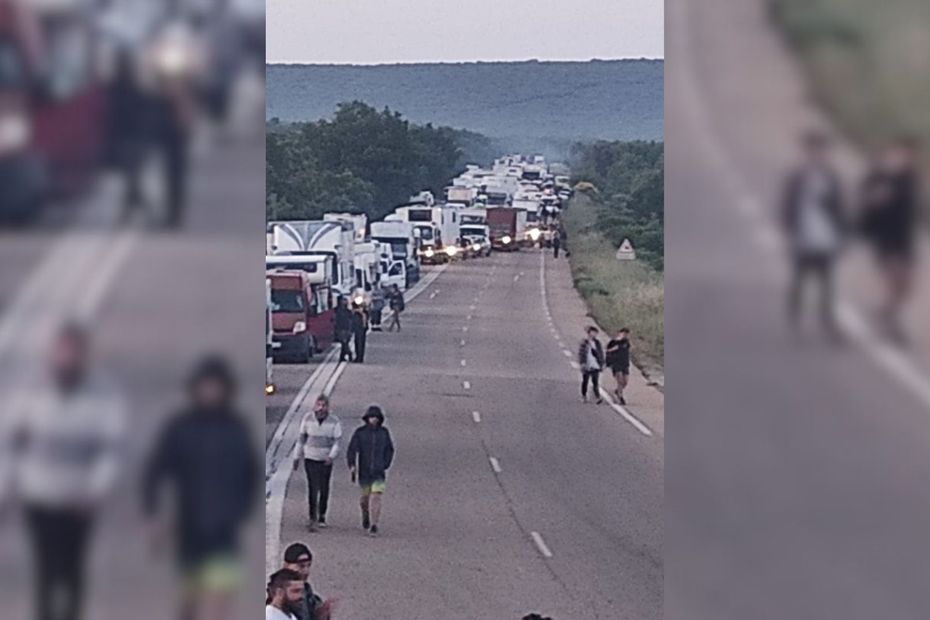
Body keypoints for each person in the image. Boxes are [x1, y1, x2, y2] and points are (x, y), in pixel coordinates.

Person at [3, 323, 125, 620]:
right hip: (40, 495)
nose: (66, 358)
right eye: (61, 351)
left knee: (71, 569)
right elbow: (12, 444)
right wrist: (8, 488)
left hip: (77, 500)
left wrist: (94, 490)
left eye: (73, 351)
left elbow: (111, 451)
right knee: (45, 568)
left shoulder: (103, 395)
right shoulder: (31, 391)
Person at [142, 355, 259, 620]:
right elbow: (155, 471)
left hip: (224, 531)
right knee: (189, 601)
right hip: (189, 529)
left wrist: (241, 509)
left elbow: (250, 472)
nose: (211, 392)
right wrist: (153, 515)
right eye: (206, 385)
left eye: (216, 386)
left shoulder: (235, 428)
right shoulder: (181, 428)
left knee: (220, 601)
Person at [780, 131, 846, 341]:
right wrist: (789, 234)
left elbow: (840, 209)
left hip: (826, 236)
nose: (818, 154)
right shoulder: (797, 178)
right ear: (806, 152)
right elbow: (787, 207)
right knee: (800, 278)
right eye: (813, 150)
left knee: (827, 281)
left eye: (821, 150)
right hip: (804, 235)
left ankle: (827, 321)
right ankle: (795, 319)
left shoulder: (832, 177)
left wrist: (842, 235)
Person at [858, 136, 920, 344]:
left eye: (909, 153)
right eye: (901, 152)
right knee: (894, 281)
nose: (904, 157)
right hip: (886, 238)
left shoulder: (911, 177)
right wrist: (877, 198)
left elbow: (914, 206)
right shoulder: (880, 174)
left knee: (907, 286)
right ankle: (892, 326)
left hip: (906, 238)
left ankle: (885, 313)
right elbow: (867, 199)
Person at [346, 406, 395, 537]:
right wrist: (352, 465)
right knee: (364, 499)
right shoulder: (360, 433)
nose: (373, 420)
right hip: (365, 472)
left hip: (378, 472)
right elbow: (352, 449)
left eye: (376, 418)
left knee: (376, 497)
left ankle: (374, 524)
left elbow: (389, 449)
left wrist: (385, 464)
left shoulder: (384, 433)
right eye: (371, 417)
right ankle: (365, 514)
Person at [295, 395, 342, 531]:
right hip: (310, 457)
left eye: (324, 405)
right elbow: (301, 439)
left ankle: (322, 514)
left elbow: (337, 442)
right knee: (312, 487)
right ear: (315, 405)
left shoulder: (334, 421)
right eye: (319, 405)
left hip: (325, 460)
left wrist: (331, 456)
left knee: (324, 487)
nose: (321, 408)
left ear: (328, 406)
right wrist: (296, 457)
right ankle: (312, 516)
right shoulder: (307, 419)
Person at [281, 543, 336, 620]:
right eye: (301, 566)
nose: (306, 571)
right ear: (286, 565)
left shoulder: (312, 599)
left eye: (308, 565)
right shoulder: (278, 596)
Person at [577, 326, 605, 404]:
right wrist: (582, 363)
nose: (594, 334)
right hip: (587, 364)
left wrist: (602, 363)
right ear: (589, 333)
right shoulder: (584, 342)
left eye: (595, 333)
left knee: (595, 381)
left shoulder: (597, 343)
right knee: (585, 381)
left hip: (595, 364)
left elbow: (600, 353)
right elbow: (581, 353)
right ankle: (584, 395)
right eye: (593, 332)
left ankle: (597, 397)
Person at [605, 328, 632, 405]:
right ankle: (620, 396)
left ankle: (618, 391)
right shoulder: (615, 342)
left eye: (627, 334)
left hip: (625, 363)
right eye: (624, 334)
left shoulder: (626, 342)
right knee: (620, 380)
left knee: (625, 382)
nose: (626, 335)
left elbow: (628, 349)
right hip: (616, 363)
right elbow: (608, 349)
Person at [333, 297, 353, 362]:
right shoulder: (336, 310)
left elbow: (351, 319)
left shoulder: (348, 311)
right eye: (343, 300)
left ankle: (342, 357)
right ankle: (349, 354)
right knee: (344, 343)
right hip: (340, 329)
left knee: (345, 343)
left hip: (346, 328)